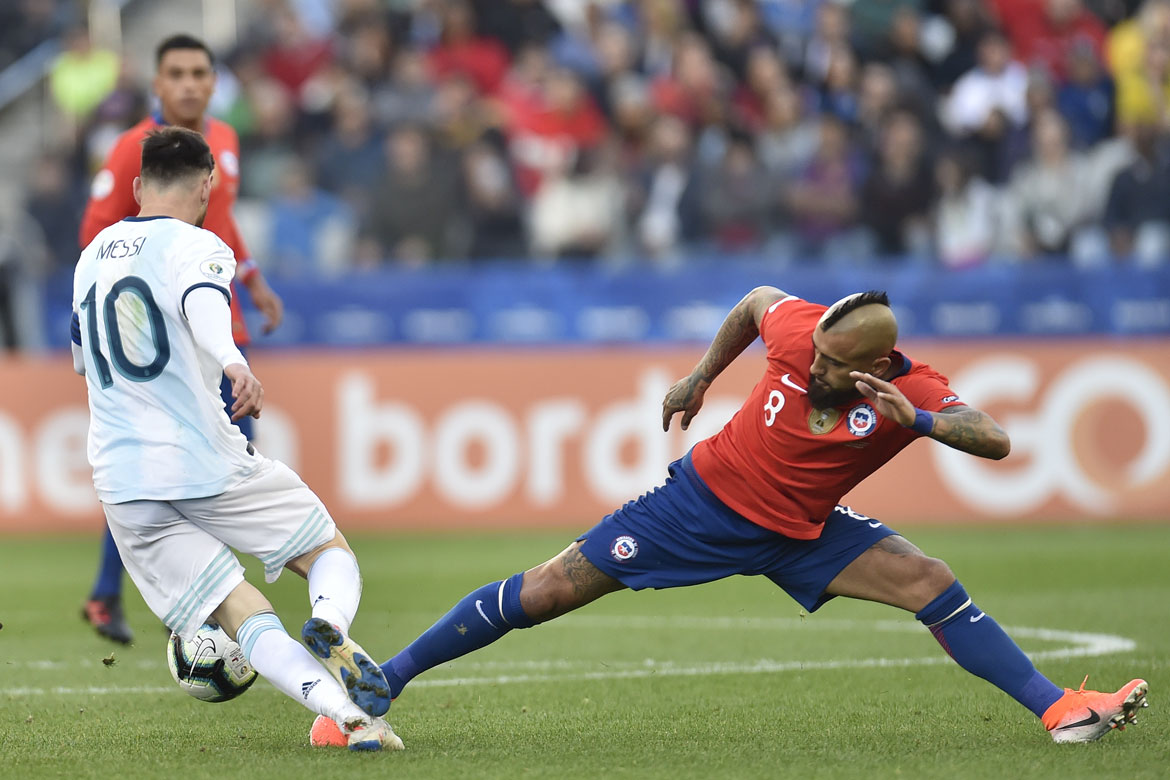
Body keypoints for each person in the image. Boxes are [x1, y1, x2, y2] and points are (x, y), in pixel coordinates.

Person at [313, 287, 1148, 746]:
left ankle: (1056, 710)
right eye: (813, 350)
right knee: (550, 589)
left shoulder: (910, 389)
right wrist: (702, 376)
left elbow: (997, 439)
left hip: (805, 533)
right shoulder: (796, 335)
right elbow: (754, 304)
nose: (811, 362)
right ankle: (383, 683)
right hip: (699, 506)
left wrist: (919, 423)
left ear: (875, 365)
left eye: (830, 361)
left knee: (929, 579)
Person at [70, 127, 400, 751]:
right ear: (207, 185)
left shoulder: (92, 257)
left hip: (121, 482)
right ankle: (329, 621)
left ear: (138, 187)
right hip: (201, 460)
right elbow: (203, 305)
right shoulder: (200, 245)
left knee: (236, 610)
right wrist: (231, 360)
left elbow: (84, 361)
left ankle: (349, 718)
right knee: (327, 550)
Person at [79, 34, 284, 644]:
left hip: (218, 317)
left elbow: (220, 222)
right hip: (160, 335)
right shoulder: (129, 152)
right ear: (158, 85)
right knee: (169, 471)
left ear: (214, 82)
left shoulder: (225, 140)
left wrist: (250, 276)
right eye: (178, 74)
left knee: (218, 460)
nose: (191, 84)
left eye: (201, 72)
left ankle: (157, 597)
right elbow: (96, 235)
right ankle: (172, 599)